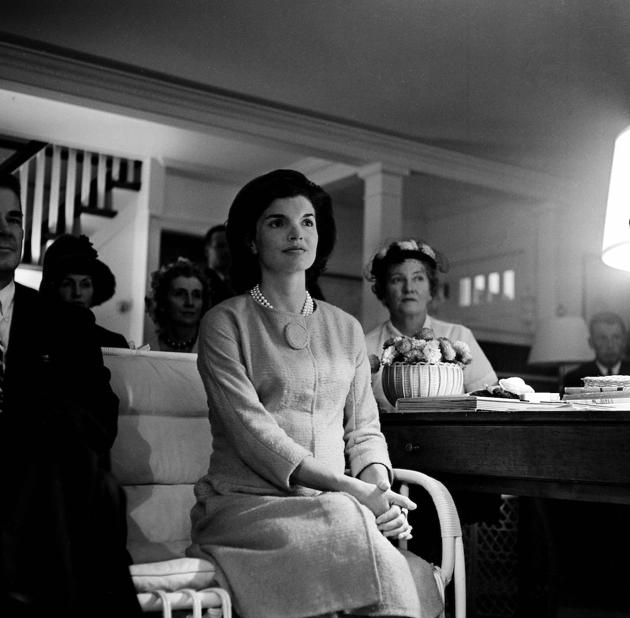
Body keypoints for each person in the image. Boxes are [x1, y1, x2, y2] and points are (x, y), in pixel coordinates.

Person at [186, 169, 443, 618]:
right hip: (248, 506)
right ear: (250, 240)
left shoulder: (345, 328)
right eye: (277, 222)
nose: (296, 233)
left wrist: (379, 489)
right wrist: (352, 491)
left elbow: (364, 429)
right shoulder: (224, 324)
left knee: (362, 527)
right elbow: (254, 434)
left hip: (336, 504)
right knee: (350, 522)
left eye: (307, 222)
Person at [0, 173, 141, 617]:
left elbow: (100, 417)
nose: (5, 229)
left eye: (14, 218)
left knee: (86, 476)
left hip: (49, 473)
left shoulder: (65, 322)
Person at [364, 238, 498, 413]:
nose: (409, 288)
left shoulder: (459, 336)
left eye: (418, 278)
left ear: (431, 289)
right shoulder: (366, 345)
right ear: (383, 290)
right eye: (397, 279)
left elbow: (490, 401)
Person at [39, 234, 129, 348]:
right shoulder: (32, 336)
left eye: (85, 284)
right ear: (53, 287)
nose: (77, 293)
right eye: (67, 284)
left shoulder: (114, 342)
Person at [145, 257, 211, 352]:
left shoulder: (214, 352)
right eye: (180, 294)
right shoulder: (146, 353)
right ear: (163, 300)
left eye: (196, 295)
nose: (190, 302)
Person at [561, 311, 630, 391]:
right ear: (591, 342)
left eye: (616, 337)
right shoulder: (574, 379)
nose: (610, 345)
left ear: (624, 341)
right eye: (602, 338)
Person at [202, 223, 235, 304]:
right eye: (220, 246)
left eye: (229, 246)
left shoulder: (238, 284)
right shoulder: (202, 282)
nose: (226, 251)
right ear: (207, 251)